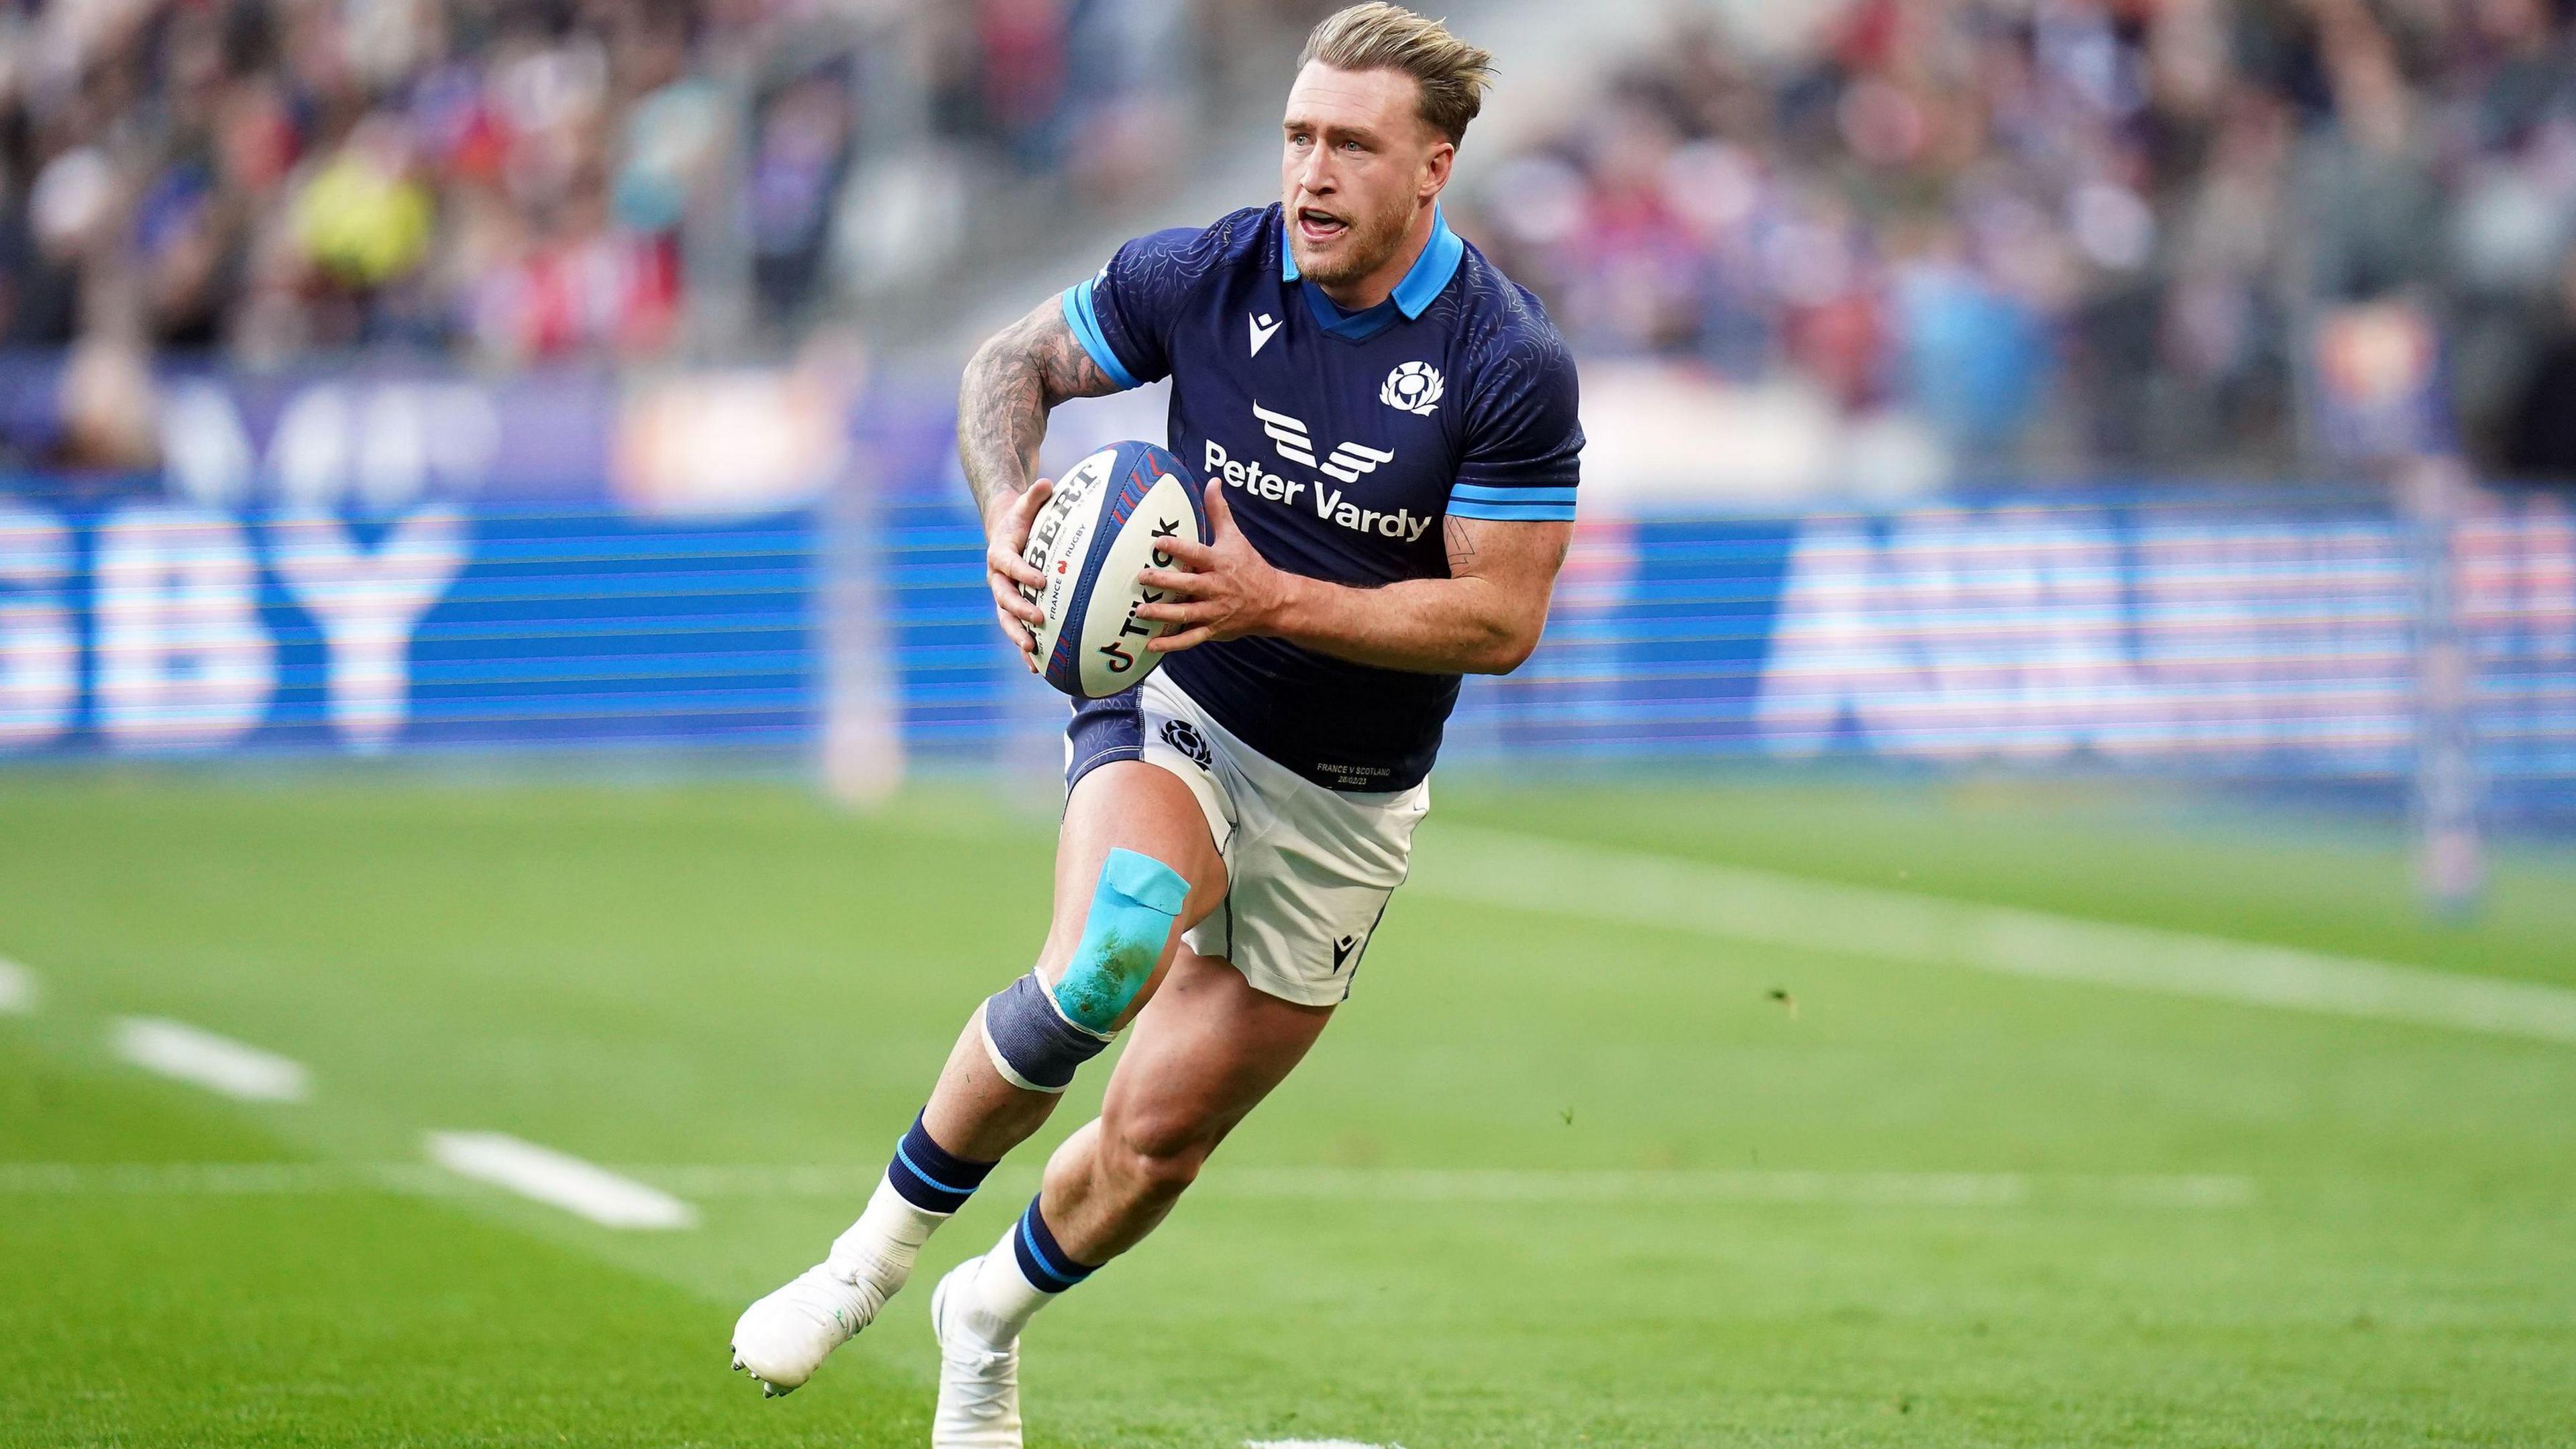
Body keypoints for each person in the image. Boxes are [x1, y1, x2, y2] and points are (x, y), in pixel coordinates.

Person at [729, 7, 1581, 1444]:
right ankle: (864, 1264)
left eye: (1352, 148)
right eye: (1300, 136)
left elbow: (1499, 623)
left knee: (1157, 1142)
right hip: (1178, 700)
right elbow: (1008, 368)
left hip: (1352, 795)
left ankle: (983, 1319)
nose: (1311, 173)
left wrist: (1274, 596)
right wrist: (1012, 509)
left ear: (1432, 168)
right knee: (1109, 953)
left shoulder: (1507, 362)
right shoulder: (1209, 270)